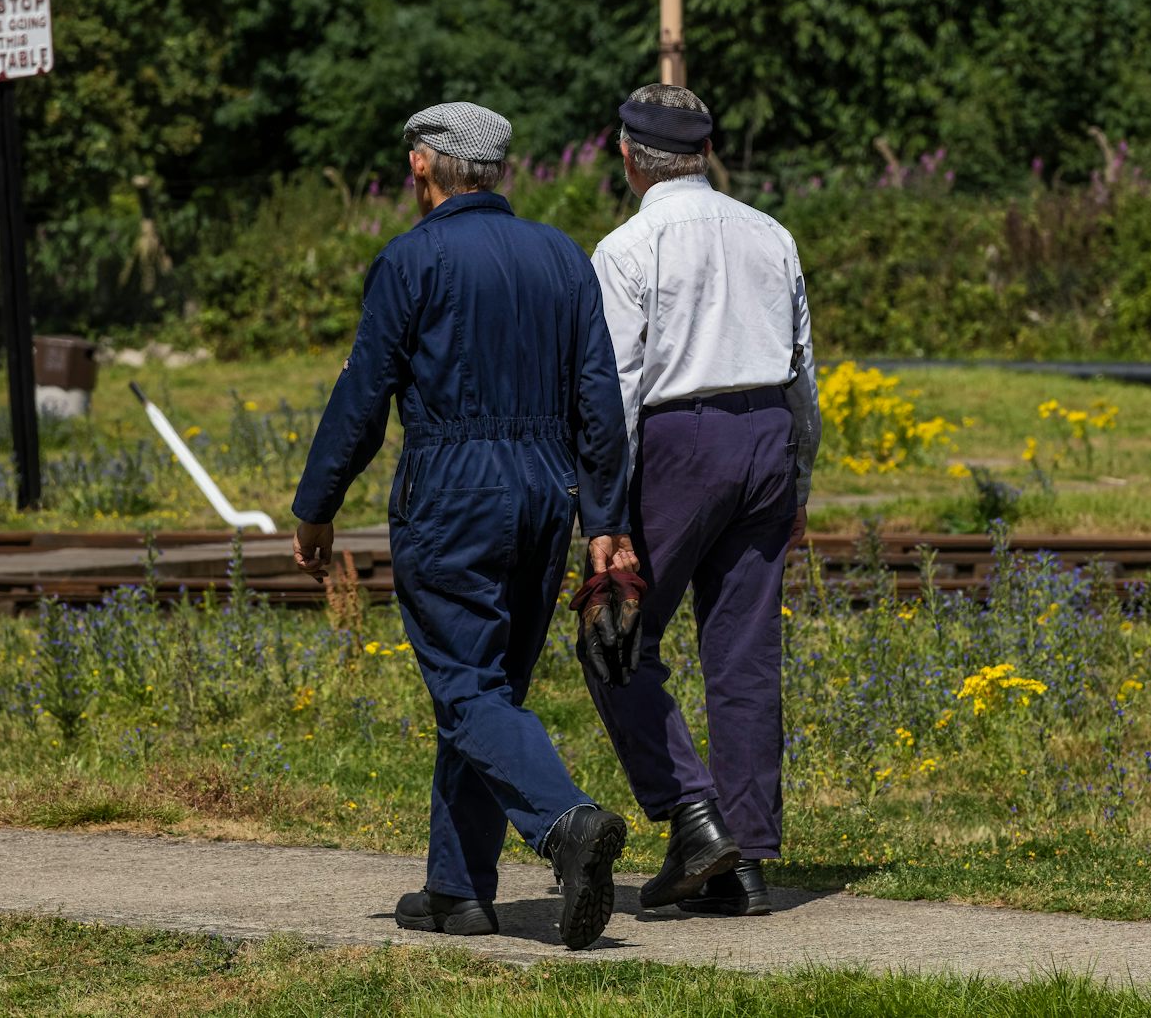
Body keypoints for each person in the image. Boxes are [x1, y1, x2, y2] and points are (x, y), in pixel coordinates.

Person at [291, 100, 639, 951]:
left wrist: (316, 505)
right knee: (489, 691)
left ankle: (565, 824)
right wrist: (606, 518)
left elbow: (363, 397)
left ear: (422, 165)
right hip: (543, 492)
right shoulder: (561, 256)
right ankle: (457, 889)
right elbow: (599, 399)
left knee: (466, 687)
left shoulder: (413, 261)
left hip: (451, 491)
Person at [583, 82, 821, 917]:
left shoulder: (626, 248)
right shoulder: (772, 234)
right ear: (706, 152)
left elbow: (614, 386)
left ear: (626, 155)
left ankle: (695, 817)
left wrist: (603, 516)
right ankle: (745, 860)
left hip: (681, 441)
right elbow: (803, 373)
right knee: (745, 657)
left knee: (612, 635)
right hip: (764, 437)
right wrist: (798, 475)